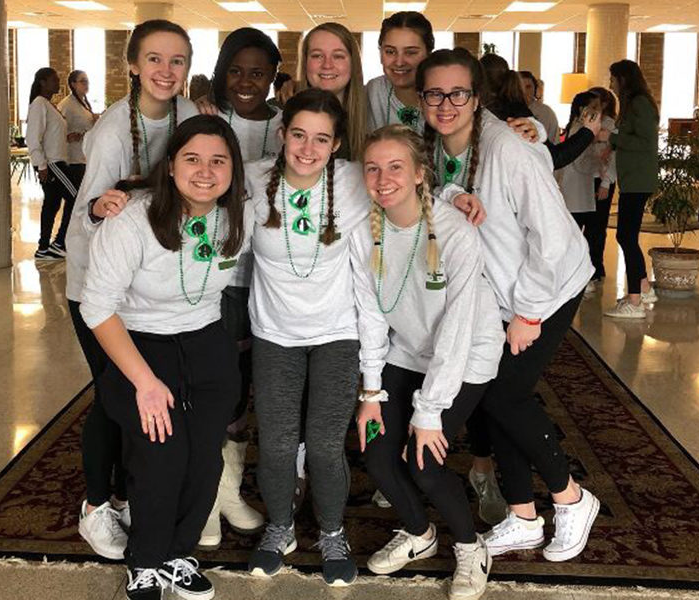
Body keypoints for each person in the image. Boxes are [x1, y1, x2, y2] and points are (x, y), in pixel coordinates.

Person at [418, 48, 601, 563]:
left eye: (458, 93)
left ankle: (571, 497)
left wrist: (528, 313)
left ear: (477, 98)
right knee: (494, 401)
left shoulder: (507, 150)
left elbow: (556, 241)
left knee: (503, 397)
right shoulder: (437, 144)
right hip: (497, 290)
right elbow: (437, 185)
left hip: (548, 287)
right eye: (436, 93)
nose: (447, 103)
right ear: (423, 99)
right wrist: (453, 194)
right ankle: (522, 515)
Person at [80, 114, 252, 600]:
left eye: (219, 161)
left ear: (233, 170)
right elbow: (97, 308)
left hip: (208, 345)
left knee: (204, 460)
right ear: (170, 164)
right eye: (192, 159)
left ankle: (179, 554)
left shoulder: (237, 212)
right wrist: (146, 383)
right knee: (160, 458)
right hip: (140, 348)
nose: (205, 170)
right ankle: (147, 560)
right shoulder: (133, 219)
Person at [64, 19, 199, 561]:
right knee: (111, 396)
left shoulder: (191, 117)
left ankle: (127, 495)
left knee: (139, 395)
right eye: (156, 60)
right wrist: (103, 205)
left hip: (149, 284)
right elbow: (88, 207)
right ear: (134, 66)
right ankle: (98, 505)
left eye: (178, 61)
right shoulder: (114, 130)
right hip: (96, 282)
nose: (166, 71)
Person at [245, 89, 388, 587]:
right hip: (274, 335)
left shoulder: (351, 181)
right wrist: (109, 202)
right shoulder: (252, 179)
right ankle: (279, 528)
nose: (308, 148)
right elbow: (187, 190)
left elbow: (412, 180)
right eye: (299, 134)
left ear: (337, 145)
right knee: (279, 445)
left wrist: (373, 382)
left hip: (337, 334)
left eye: (321, 139)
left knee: (326, 446)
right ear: (282, 134)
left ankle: (331, 532)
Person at [357, 125, 502, 599]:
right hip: (407, 351)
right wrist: (372, 394)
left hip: (466, 358)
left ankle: (469, 545)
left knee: (423, 461)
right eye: (373, 168)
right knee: (375, 449)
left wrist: (429, 411)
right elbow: (372, 318)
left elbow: (459, 329)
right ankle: (419, 534)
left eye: (396, 166)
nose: (383, 178)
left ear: (421, 174)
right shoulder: (366, 233)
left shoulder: (454, 232)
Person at [195, 26, 283, 550]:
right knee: (214, 385)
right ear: (221, 71)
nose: (246, 81)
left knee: (246, 390)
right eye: (236, 70)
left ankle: (229, 489)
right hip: (218, 276)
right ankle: (204, 496)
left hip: (269, 279)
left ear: (274, 76)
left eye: (258, 72)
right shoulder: (205, 118)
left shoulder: (287, 125)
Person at [603, 59, 659, 319]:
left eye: (613, 78)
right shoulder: (632, 104)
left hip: (638, 179)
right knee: (626, 235)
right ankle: (643, 288)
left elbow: (646, 142)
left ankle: (635, 300)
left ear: (624, 79)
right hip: (632, 178)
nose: (610, 83)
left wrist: (611, 138)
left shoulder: (640, 104)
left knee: (626, 236)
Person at [25, 67, 77, 260]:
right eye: (54, 80)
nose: (58, 83)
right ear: (43, 83)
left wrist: (67, 137)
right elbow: (32, 138)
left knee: (52, 204)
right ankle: (60, 242)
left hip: (55, 160)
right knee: (76, 197)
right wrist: (41, 165)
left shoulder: (47, 104)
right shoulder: (39, 104)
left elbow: (50, 135)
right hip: (53, 163)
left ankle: (44, 248)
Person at [299, 23, 368, 160]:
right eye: (317, 55)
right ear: (305, 62)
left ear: (353, 63)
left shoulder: (372, 113)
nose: (327, 65)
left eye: (338, 56)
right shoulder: (284, 112)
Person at [558, 91, 603, 294]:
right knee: (577, 236)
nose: (597, 111)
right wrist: (599, 160)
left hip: (575, 190)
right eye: (593, 107)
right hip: (576, 190)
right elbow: (581, 162)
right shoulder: (580, 131)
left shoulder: (574, 128)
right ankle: (578, 278)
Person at [365, 11, 434, 135]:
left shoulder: (445, 95)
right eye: (390, 52)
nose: (399, 62)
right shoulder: (372, 91)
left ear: (428, 54)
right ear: (380, 53)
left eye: (411, 52)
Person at [588, 86, 619, 281]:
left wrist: (606, 183)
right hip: (584, 179)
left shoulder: (610, 126)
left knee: (597, 225)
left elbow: (613, 158)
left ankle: (596, 267)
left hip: (601, 179)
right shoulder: (586, 121)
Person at [58, 70, 98, 192]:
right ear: (73, 84)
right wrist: (68, 136)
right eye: (83, 81)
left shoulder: (84, 102)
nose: (87, 84)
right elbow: (58, 129)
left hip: (84, 156)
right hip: (73, 159)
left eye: (87, 82)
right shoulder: (67, 104)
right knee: (74, 198)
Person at [520, 70, 559, 143]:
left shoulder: (545, 112)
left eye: (528, 87)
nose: (524, 91)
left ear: (535, 89)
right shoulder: (507, 111)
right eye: (520, 87)